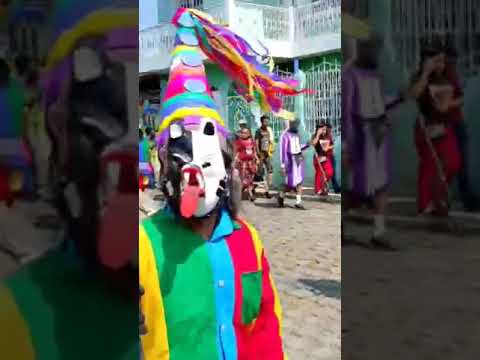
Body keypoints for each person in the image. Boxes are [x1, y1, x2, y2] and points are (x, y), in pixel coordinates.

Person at [140, 8, 289, 359]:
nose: (194, 170)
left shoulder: (248, 241)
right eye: (180, 152)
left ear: (228, 164)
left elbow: (265, 327)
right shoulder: (145, 247)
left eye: (208, 153)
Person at [342, 34, 404, 249]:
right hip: (360, 137)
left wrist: (398, 99)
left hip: (378, 136)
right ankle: (342, 227)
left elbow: (381, 103)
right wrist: (349, 144)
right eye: (367, 47)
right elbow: (348, 111)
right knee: (356, 189)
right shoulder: (349, 75)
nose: (372, 52)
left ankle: (379, 232)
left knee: (382, 185)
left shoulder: (376, 76)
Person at [408, 39, 461, 216]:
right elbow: (413, 94)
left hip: (445, 125)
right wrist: (425, 73)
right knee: (429, 165)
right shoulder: (419, 77)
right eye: (437, 61)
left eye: (442, 61)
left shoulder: (448, 76)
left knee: (453, 162)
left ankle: (438, 197)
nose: (441, 64)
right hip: (425, 126)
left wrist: (448, 105)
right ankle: (425, 204)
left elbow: (460, 96)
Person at [445, 47, 479, 211]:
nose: (453, 63)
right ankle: (448, 198)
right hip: (449, 124)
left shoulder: (453, 74)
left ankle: (466, 199)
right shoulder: (444, 76)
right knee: (452, 163)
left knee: (460, 163)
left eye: (454, 60)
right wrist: (459, 99)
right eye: (451, 60)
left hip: (457, 122)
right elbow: (446, 103)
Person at [278, 118, 310, 209]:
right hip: (290, 162)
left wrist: (306, 145)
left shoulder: (296, 135)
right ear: (289, 124)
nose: (295, 125)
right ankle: (281, 196)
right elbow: (283, 151)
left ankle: (298, 201)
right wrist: (283, 165)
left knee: (299, 181)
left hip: (298, 160)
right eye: (294, 123)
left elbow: (298, 147)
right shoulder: (285, 136)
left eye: (297, 123)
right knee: (289, 184)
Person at [234, 127, 259, 201]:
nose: (243, 134)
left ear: (249, 134)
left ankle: (240, 194)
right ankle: (250, 194)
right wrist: (235, 159)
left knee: (250, 179)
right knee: (244, 179)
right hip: (243, 163)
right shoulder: (238, 142)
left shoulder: (252, 142)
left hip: (251, 163)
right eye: (242, 133)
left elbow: (254, 152)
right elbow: (237, 152)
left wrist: (257, 159)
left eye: (245, 133)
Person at [311, 122, 334, 195]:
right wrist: (318, 135)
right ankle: (318, 190)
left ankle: (322, 186)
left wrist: (328, 148)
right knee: (319, 173)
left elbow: (332, 145)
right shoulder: (315, 136)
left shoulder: (328, 136)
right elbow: (313, 144)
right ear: (318, 129)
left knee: (329, 172)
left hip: (326, 157)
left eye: (325, 129)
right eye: (322, 129)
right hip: (318, 158)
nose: (324, 131)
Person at [255, 114, 274, 198]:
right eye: (265, 121)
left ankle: (267, 190)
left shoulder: (269, 130)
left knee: (270, 171)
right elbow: (256, 142)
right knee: (259, 172)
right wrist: (258, 153)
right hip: (261, 154)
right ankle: (255, 189)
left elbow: (270, 141)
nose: (267, 122)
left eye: (268, 121)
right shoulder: (258, 131)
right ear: (261, 122)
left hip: (267, 154)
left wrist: (271, 148)